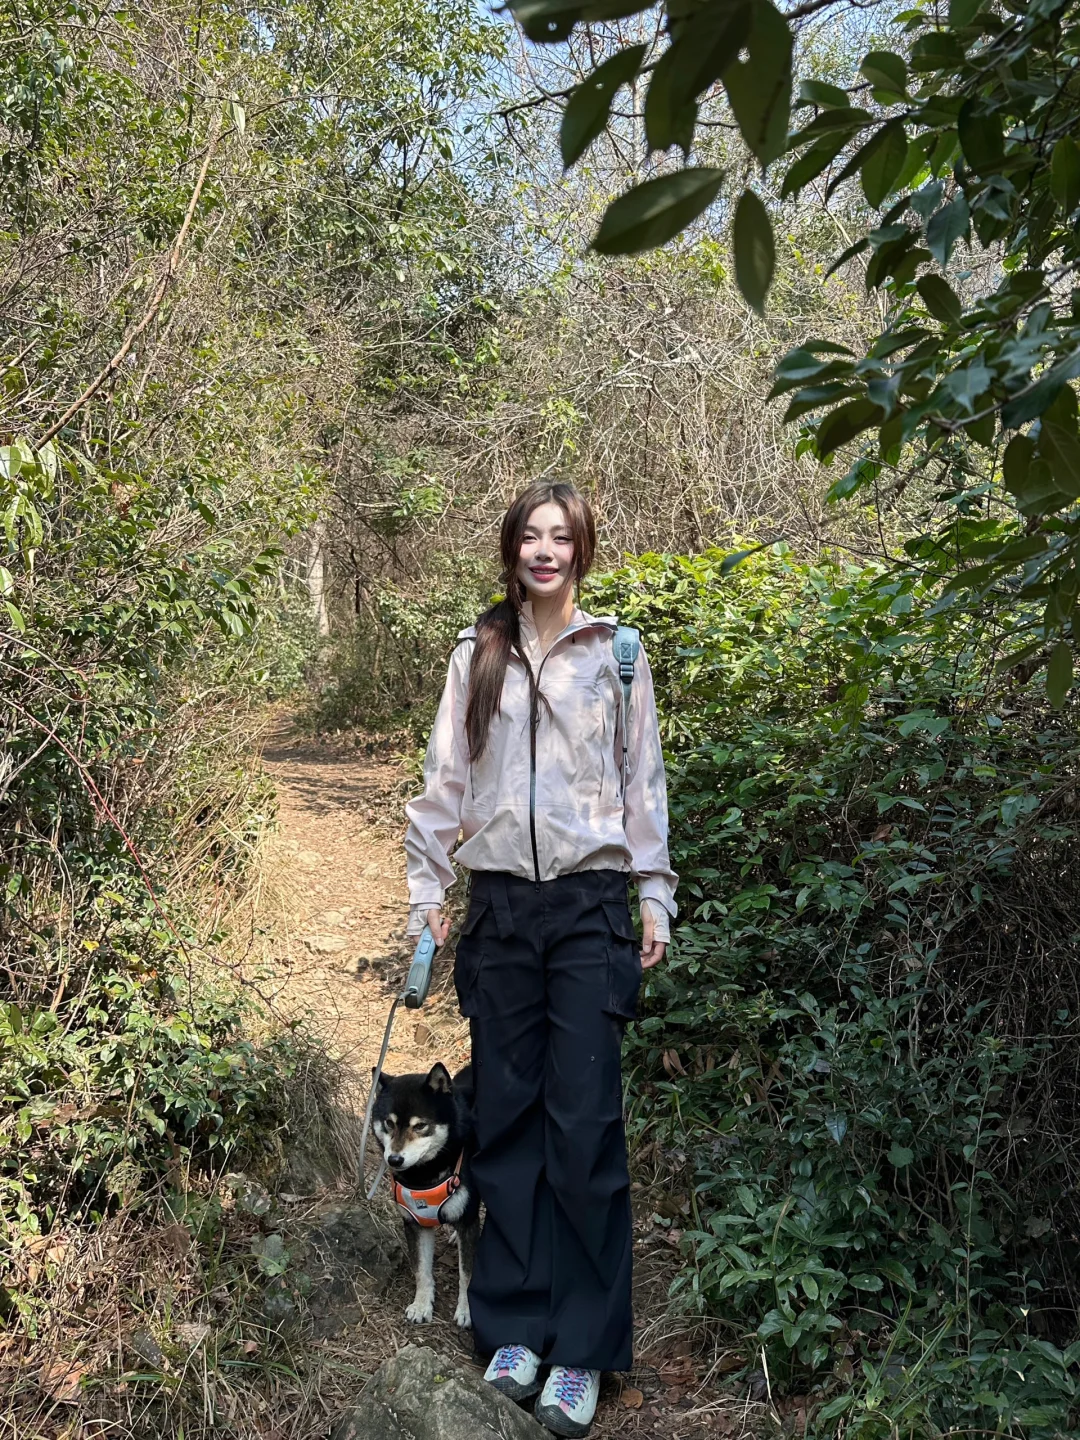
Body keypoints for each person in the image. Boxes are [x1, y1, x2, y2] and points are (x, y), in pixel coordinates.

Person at [402, 480, 677, 1440]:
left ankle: (586, 1352)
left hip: (592, 908)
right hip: (504, 913)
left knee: (587, 1127)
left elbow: (643, 786)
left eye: (563, 537)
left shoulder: (620, 658)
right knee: (509, 1119)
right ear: (511, 548)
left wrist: (653, 892)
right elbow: (445, 780)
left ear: (583, 550)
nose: (546, 550)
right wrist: (426, 893)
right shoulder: (475, 655)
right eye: (531, 534)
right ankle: (515, 1327)